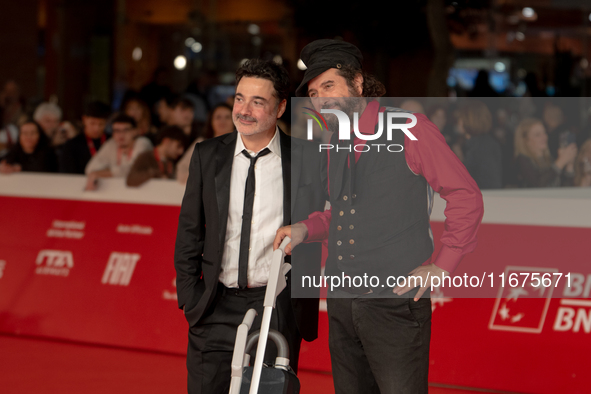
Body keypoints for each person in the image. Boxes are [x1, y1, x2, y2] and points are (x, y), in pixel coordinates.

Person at [273, 39, 484, 394]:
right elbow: (343, 213)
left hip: (395, 302)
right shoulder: (333, 141)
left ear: (357, 84)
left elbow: (466, 195)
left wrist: (443, 265)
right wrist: (305, 228)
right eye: (313, 92)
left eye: (329, 85)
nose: (321, 98)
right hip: (341, 300)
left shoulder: (409, 128)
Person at [174, 59, 324, 394]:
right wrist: (191, 297)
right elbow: (189, 230)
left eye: (258, 102)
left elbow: (325, 221)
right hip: (213, 304)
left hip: (276, 308)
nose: (244, 110)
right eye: (239, 98)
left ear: (281, 107)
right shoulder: (208, 155)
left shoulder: (306, 159)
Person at [84, 114, 152, 190]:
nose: (121, 135)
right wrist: (98, 173)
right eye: (117, 131)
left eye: (125, 130)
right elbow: (90, 169)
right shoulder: (112, 144)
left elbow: (133, 170)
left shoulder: (143, 143)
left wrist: (100, 173)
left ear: (135, 131)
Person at [176, 103, 234, 185]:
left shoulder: (243, 144)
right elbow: (182, 168)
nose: (222, 121)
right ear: (211, 121)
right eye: (218, 117)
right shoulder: (202, 143)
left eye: (227, 117)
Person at [514, 118, 576, 188]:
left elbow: (565, 191)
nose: (544, 137)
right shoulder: (522, 160)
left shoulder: (549, 159)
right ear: (526, 140)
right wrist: (561, 161)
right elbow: (538, 186)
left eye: (544, 133)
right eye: (537, 135)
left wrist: (569, 165)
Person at [457, 100, 503, 189]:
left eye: (461, 118)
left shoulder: (483, 146)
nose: (458, 121)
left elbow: (491, 183)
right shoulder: (471, 144)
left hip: (484, 198)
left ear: (469, 120)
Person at [59, 101, 111, 174]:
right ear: (84, 119)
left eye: (101, 124)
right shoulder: (72, 146)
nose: (96, 128)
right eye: (92, 123)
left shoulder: (112, 141)